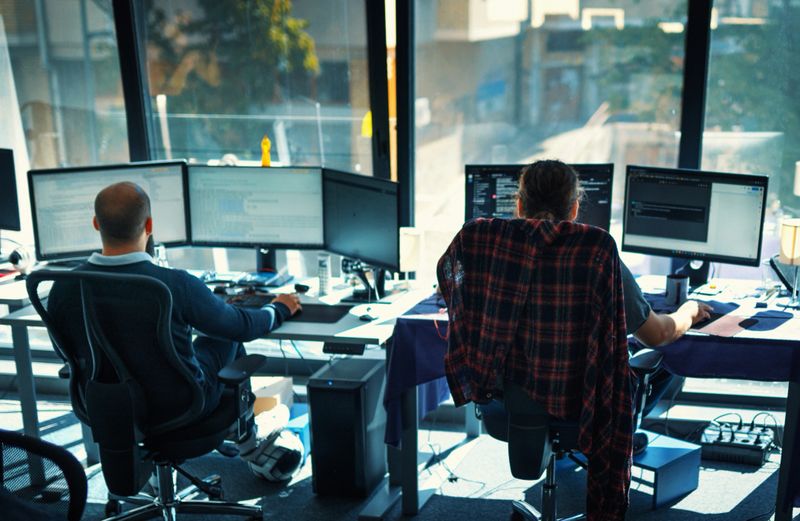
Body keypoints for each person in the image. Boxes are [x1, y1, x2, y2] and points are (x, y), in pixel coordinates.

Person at [46, 181, 301, 472]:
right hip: (181, 407)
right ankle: (249, 442)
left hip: (105, 405)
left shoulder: (64, 286)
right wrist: (279, 308)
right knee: (223, 336)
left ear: (96, 223)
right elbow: (242, 327)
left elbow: (65, 352)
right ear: (149, 225)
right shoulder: (174, 284)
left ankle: (228, 442)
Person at [515, 160, 713, 449]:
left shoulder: (493, 254)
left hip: (510, 402)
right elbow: (657, 334)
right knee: (663, 356)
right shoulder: (596, 254)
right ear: (574, 209)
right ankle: (614, 441)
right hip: (586, 405)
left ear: (520, 207)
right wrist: (689, 311)